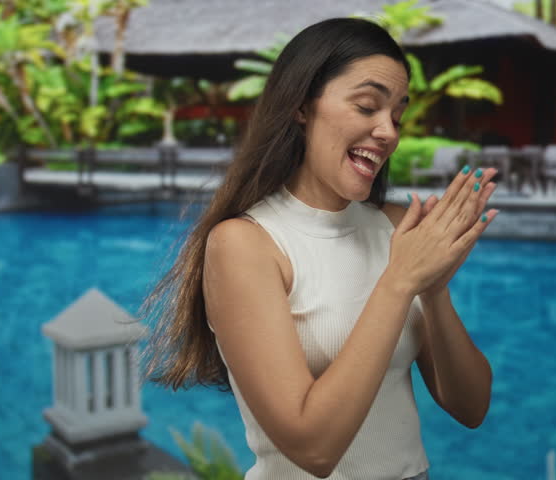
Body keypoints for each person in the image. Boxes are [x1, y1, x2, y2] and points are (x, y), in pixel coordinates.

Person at [142, 17, 497, 480]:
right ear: (302, 106)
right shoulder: (246, 244)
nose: (388, 131)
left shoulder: (395, 228)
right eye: (367, 105)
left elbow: (471, 407)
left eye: (397, 115)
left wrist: (434, 289)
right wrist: (399, 282)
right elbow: (313, 449)